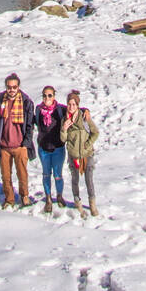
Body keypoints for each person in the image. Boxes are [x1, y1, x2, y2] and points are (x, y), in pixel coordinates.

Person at [0, 73, 35, 209]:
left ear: (18, 87)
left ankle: (24, 196)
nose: (12, 90)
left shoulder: (26, 102)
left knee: (22, 174)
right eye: (9, 87)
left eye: (14, 87)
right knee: (6, 175)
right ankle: (9, 199)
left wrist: (26, 144)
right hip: (4, 145)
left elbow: (30, 125)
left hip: (20, 145)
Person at [60, 89, 100, 217]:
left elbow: (95, 133)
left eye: (74, 104)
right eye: (69, 104)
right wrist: (64, 129)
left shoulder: (84, 118)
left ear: (77, 105)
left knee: (89, 180)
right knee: (75, 180)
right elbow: (63, 139)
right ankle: (77, 202)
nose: (71, 107)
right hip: (74, 156)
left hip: (87, 155)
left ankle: (92, 204)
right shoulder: (65, 120)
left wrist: (87, 145)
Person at [34, 86, 67, 214]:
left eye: (50, 95)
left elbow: (74, 110)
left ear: (54, 96)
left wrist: (85, 110)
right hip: (43, 148)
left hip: (58, 147)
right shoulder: (38, 110)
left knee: (58, 175)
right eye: (45, 95)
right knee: (46, 174)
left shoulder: (60, 110)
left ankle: (59, 195)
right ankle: (48, 198)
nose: (47, 98)